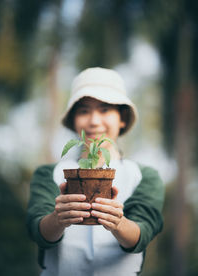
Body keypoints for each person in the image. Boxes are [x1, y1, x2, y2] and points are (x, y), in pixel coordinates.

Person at [27, 67, 165, 276]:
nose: (93, 121)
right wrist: (58, 218)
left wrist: (118, 223)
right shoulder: (50, 174)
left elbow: (144, 232)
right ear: (74, 120)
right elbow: (37, 230)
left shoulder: (144, 176)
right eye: (83, 111)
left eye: (105, 109)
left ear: (122, 118)